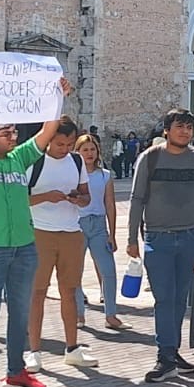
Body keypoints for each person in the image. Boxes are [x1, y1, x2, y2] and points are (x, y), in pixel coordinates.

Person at [0, 67, 72, 387]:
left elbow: (47, 131)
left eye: (14, 132)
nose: (14, 137)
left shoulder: (19, 159)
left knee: (20, 311)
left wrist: (57, 97)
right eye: (8, 133)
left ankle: (16, 371)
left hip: (24, 246)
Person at [127, 109, 194, 380]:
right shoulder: (150, 158)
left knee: (179, 300)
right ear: (166, 130)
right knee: (164, 298)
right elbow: (136, 198)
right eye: (179, 127)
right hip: (158, 237)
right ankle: (164, 355)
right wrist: (131, 238)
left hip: (189, 237)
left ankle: (172, 350)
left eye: (189, 127)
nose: (185, 132)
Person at [25, 116, 95, 372]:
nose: (64, 149)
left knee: (70, 290)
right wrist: (46, 197)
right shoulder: (33, 161)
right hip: (40, 231)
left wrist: (79, 199)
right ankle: (34, 351)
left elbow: (87, 196)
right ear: (48, 140)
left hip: (71, 231)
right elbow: (19, 199)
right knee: (37, 292)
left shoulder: (76, 161)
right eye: (59, 144)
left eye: (68, 144)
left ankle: (72, 348)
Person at [72, 131, 127, 331]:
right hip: (77, 225)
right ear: (77, 152)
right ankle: (78, 313)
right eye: (84, 150)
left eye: (92, 149)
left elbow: (110, 204)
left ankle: (111, 314)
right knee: (75, 271)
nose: (89, 153)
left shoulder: (104, 175)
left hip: (98, 225)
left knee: (108, 270)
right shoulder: (72, 174)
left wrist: (112, 233)